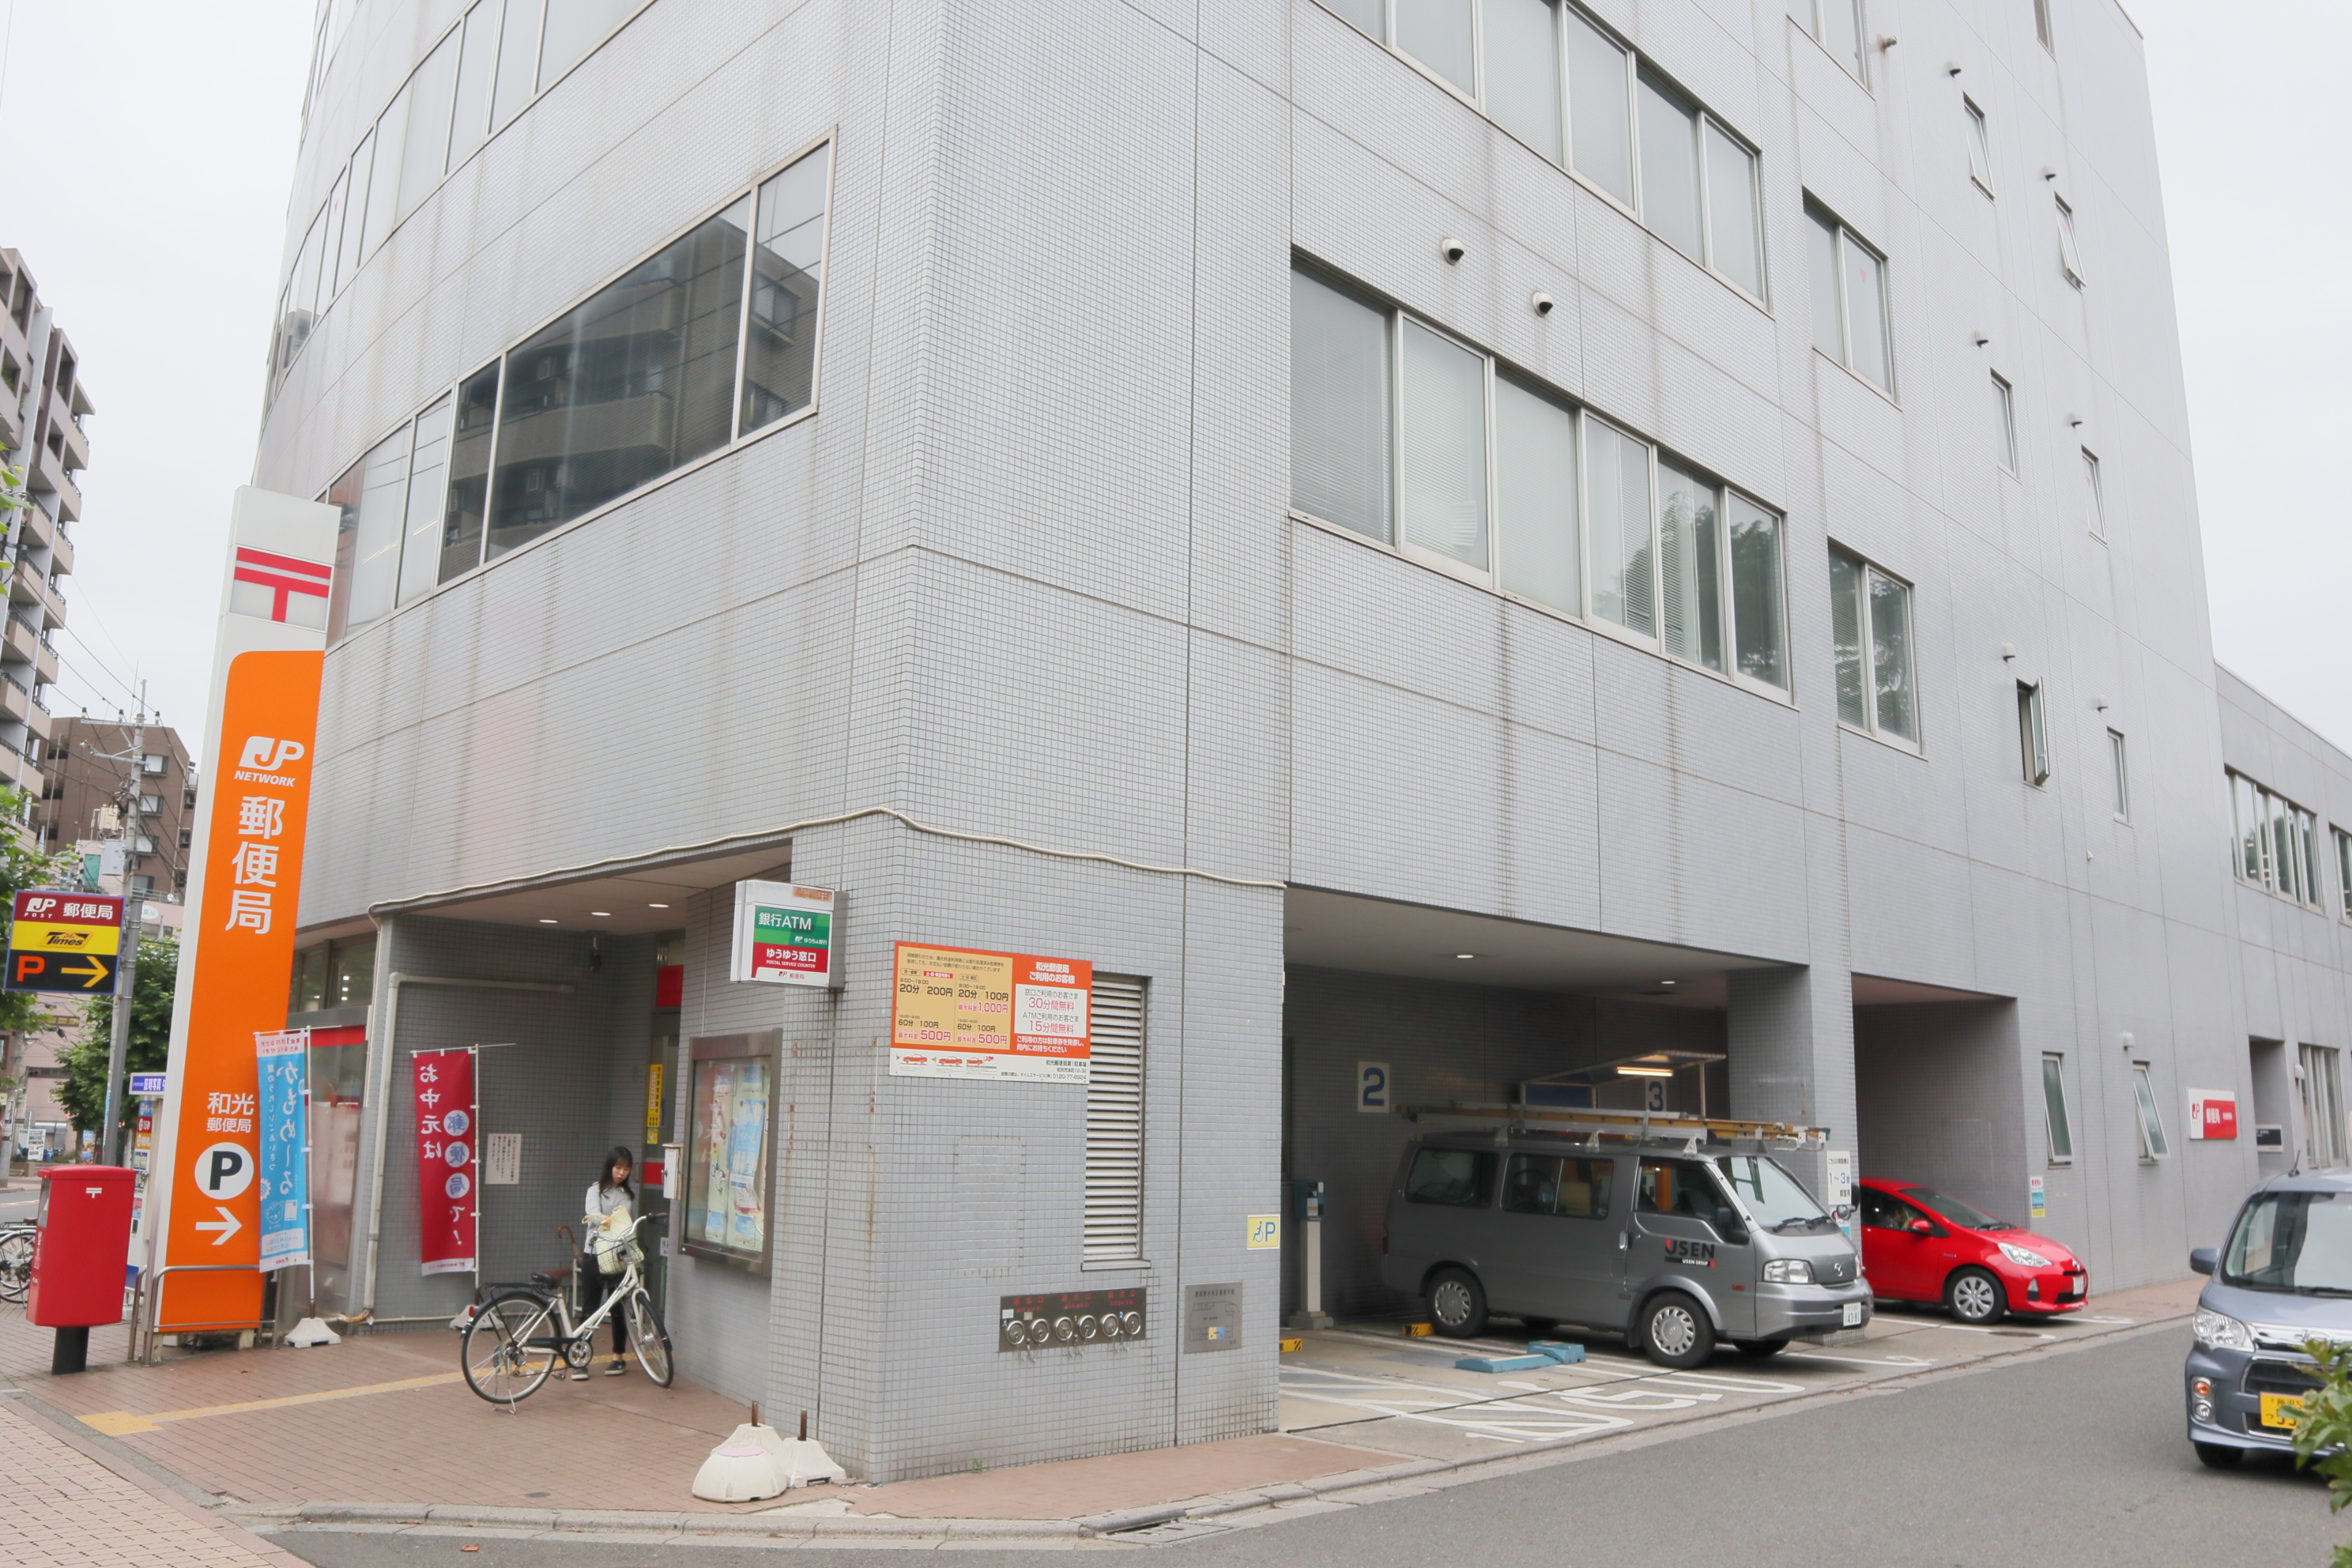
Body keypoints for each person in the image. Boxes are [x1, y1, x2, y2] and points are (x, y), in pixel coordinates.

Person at [579, 1147, 635, 1378]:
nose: (621, 1172)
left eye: (626, 1169)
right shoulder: (595, 1190)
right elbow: (592, 1213)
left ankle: (618, 1357)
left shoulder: (627, 1195)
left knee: (618, 1308)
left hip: (617, 1255)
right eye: (618, 1167)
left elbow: (625, 1223)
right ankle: (580, 1358)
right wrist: (602, 1218)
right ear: (609, 1167)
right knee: (590, 1308)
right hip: (593, 1254)